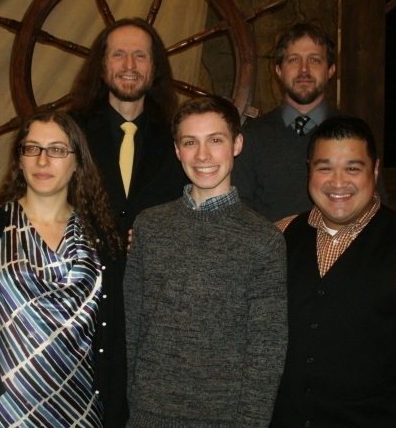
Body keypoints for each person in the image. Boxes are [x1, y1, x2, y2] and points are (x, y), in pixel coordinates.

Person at [271, 115, 396, 428]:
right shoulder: (278, 236)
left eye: (353, 167)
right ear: (309, 170)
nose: (338, 182)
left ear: (374, 170)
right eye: (325, 167)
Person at [0, 112, 128, 427]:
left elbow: (114, 337)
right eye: (32, 149)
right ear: (19, 161)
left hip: (81, 405)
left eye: (57, 150)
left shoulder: (100, 235)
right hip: (2, 408)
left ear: (77, 163)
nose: (43, 160)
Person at [123, 96, 287, 427]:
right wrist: (130, 402)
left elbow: (266, 350)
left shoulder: (263, 240)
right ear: (177, 150)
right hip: (147, 412)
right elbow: (131, 324)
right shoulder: (149, 226)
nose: (202, 155)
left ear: (237, 144)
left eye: (215, 140)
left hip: (224, 418)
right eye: (190, 142)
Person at [232, 22, 386, 222]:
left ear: (331, 70)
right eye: (294, 60)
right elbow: (240, 212)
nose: (304, 70)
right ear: (278, 70)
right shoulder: (250, 137)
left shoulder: (356, 135)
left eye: (314, 60)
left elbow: (376, 205)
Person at [69, 17, 187, 238]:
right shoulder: (69, 133)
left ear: (155, 67)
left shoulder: (177, 139)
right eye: (118, 54)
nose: (130, 65)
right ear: (102, 66)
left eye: (140, 55)